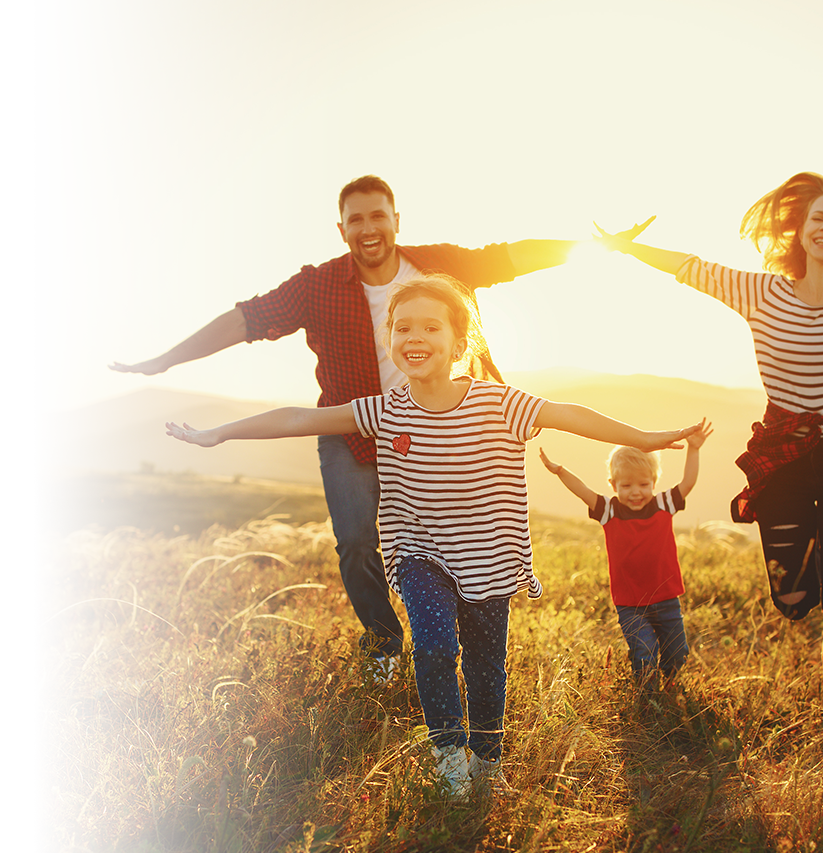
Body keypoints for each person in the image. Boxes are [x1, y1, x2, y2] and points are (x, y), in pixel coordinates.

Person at [165, 272, 702, 798]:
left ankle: (487, 758)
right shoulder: (385, 410)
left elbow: (569, 415)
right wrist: (223, 432)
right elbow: (301, 417)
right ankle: (447, 755)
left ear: (459, 343)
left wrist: (648, 437)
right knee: (434, 642)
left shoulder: (500, 403)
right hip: (418, 553)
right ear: (390, 339)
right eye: (402, 328)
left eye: (430, 328)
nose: (414, 338)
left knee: (487, 665)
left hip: (490, 557)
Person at [109, 174, 605, 681]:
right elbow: (246, 320)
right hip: (353, 428)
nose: (368, 229)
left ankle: (454, 635)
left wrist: (598, 245)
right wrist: (165, 361)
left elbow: (512, 257)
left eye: (377, 216)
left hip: (444, 429)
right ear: (342, 228)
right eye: (356, 220)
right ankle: (385, 644)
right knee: (355, 540)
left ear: (395, 221)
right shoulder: (318, 285)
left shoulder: (439, 264)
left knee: (455, 537)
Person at [594, 172, 823, 726]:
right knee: (791, 597)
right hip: (781, 457)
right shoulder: (760, 291)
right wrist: (627, 246)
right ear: (802, 231)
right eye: (818, 218)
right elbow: (690, 267)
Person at [539, 421, 712, 687]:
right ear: (613, 484)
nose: (635, 492)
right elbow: (583, 491)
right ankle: (648, 699)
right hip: (630, 604)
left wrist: (694, 449)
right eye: (626, 485)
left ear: (654, 482)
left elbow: (687, 482)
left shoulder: (663, 504)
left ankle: (671, 689)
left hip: (666, 598)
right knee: (644, 653)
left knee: (678, 654)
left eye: (643, 484)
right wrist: (560, 471)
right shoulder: (609, 511)